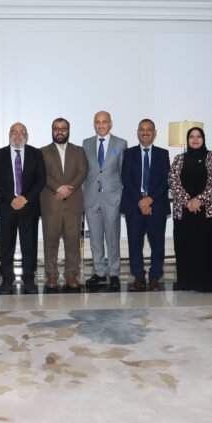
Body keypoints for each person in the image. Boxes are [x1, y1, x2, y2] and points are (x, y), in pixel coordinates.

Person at [0, 122, 46, 294]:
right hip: (6, 206)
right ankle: (7, 279)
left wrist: (25, 198)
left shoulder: (36, 154)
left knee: (29, 245)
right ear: (9, 135)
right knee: (6, 246)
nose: (18, 135)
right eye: (14, 132)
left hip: (28, 207)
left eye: (22, 132)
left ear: (27, 136)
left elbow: (41, 180)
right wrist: (12, 199)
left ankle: (29, 278)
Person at [169, 126, 212, 293]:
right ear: (187, 140)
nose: (195, 139)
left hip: (208, 212)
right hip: (183, 212)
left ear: (203, 139)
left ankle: (208, 283)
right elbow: (173, 181)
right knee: (185, 247)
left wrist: (199, 200)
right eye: (191, 136)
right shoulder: (179, 159)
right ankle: (186, 282)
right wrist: (188, 202)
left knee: (207, 248)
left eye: (198, 136)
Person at [121, 119, 170, 292]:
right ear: (137, 132)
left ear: (154, 133)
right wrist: (140, 200)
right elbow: (126, 179)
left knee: (157, 243)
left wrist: (150, 199)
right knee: (135, 243)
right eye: (142, 129)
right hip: (134, 205)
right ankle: (139, 277)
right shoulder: (129, 153)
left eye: (149, 129)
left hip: (157, 205)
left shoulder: (163, 154)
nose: (145, 132)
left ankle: (155, 277)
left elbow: (166, 181)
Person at [39, 118, 88, 290]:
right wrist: (59, 188)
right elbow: (43, 174)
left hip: (73, 204)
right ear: (52, 130)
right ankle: (51, 274)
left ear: (68, 130)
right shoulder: (42, 152)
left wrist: (68, 189)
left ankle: (71, 274)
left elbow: (82, 172)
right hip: (51, 203)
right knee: (50, 242)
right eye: (56, 128)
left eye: (63, 128)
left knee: (73, 242)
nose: (60, 131)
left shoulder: (79, 151)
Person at [82, 111, 128, 289]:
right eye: (98, 122)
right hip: (91, 197)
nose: (101, 125)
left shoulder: (120, 144)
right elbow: (84, 171)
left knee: (112, 237)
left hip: (112, 198)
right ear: (94, 124)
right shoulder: (86, 143)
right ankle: (100, 272)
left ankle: (114, 272)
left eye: (104, 122)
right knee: (95, 238)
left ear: (110, 123)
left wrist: (120, 195)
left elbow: (123, 172)